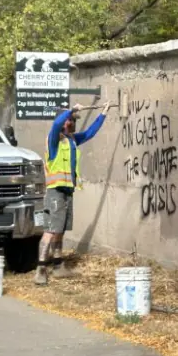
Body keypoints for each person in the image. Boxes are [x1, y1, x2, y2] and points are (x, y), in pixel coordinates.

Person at [34, 102, 111, 285]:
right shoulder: (54, 139)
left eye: (72, 121)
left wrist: (103, 114)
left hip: (67, 191)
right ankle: (41, 270)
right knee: (51, 231)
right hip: (55, 192)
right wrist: (70, 110)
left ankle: (59, 266)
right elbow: (55, 125)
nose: (70, 123)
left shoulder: (72, 140)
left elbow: (90, 133)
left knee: (60, 232)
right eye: (68, 121)